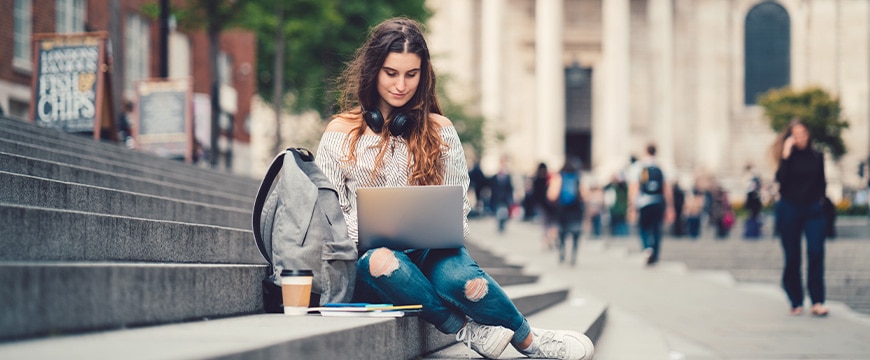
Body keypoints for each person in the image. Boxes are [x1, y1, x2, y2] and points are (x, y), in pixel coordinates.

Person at [314, 18, 594, 359]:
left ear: (424, 74)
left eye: (411, 74)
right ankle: (467, 329)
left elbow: (459, 213)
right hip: (368, 260)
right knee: (385, 261)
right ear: (373, 71)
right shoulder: (340, 132)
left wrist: (426, 233)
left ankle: (530, 341)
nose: (401, 85)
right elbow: (328, 220)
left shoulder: (441, 131)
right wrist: (379, 234)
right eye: (391, 73)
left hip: (431, 253)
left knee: (463, 280)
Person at [771, 119, 829, 317]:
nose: (800, 138)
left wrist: (820, 201)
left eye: (803, 133)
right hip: (790, 208)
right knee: (792, 256)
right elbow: (780, 180)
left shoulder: (817, 156)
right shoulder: (787, 158)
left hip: (813, 209)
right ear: (790, 137)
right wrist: (786, 155)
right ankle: (795, 300)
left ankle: (817, 300)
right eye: (795, 135)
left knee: (816, 251)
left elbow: (822, 181)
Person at [628, 144, 674, 265]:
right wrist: (670, 207)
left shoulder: (638, 167)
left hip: (644, 202)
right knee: (656, 229)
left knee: (643, 228)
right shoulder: (662, 166)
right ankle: (655, 254)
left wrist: (632, 205)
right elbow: (667, 189)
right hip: (658, 202)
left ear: (645, 152)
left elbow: (634, 187)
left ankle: (647, 248)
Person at [547, 159, 588, 266]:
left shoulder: (559, 177)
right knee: (576, 235)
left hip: (563, 211)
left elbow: (552, 195)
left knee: (562, 234)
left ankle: (562, 254)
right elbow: (585, 195)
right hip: (576, 211)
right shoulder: (578, 177)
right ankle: (573, 257)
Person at [490, 159, 515, 233]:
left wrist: (510, 198)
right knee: (498, 212)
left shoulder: (508, 177)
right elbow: (492, 187)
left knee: (504, 213)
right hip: (497, 198)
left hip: (505, 199)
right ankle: (499, 225)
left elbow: (510, 188)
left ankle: (503, 225)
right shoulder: (495, 177)